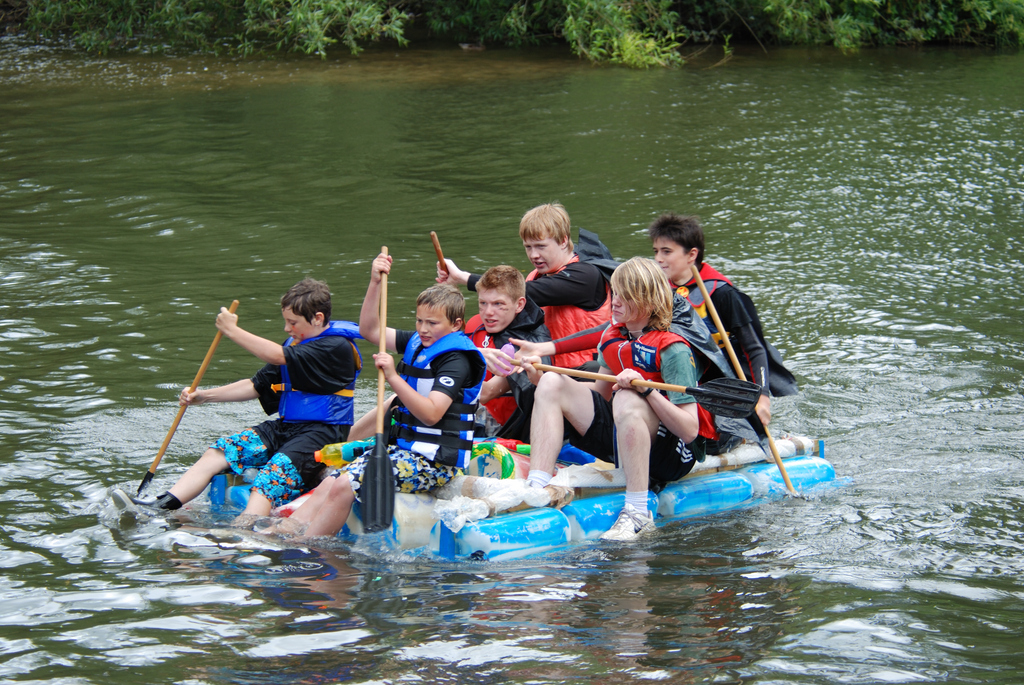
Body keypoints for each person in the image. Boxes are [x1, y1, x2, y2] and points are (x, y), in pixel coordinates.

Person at [268, 254, 486, 538]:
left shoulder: (457, 360)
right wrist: (374, 283)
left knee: (345, 484)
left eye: (432, 323)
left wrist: (393, 376)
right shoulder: (420, 342)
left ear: (456, 325)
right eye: (419, 320)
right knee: (331, 481)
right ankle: (284, 532)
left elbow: (432, 414)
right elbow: (370, 330)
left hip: (435, 463)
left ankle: (309, 545)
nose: (423, 329)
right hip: (405, 450)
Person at [118, 278, 361, 521]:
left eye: (293, 322)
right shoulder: (296, 343)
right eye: (286, 321)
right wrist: (204, 396)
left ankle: (244, 533)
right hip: (287, 428)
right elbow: (255, 385)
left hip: (323, 434)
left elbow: (277, 356)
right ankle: (160, 506)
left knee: (269, 478)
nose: (287, 329)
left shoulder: (336, 347)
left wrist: (231, 330)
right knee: (221, 450)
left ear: (317, 318)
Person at [520, 257, 718, 542]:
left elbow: (689, 430)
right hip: (623, 437)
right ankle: (536, 488)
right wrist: (541, 380)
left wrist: (647, 391)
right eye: (615, 292)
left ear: (647, 301)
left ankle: (637, 510)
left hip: (670, 454)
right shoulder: (613, 337)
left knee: (626, 396)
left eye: (625, 295)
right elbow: (599, 396)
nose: (614, 301)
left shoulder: (674, 350)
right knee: (553, 382)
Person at [648, 213, 798, 432]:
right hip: (691, 372)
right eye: (656, 251)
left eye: (666, 251)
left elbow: (754, 348)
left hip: (729, 375)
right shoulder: (661, 292)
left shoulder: (722, 294)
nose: (658, 259)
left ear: (692, 255)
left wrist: (763, 397)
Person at [438, 202, 614, 368]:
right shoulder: (534, 276)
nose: (534, 255)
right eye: (528, 247)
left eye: (541, 246)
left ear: (563, 241)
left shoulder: (586, 276)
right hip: (546, 368)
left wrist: (462, 277)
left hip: (587, 371)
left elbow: (520, 291)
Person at [464, 265, 550, 439]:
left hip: (506, 430)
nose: (488, 313)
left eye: (498, 304)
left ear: (519, 305)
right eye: (483, 303)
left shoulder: (531, 344)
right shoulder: (474, 324)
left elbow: (486, 393)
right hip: (474, 412)